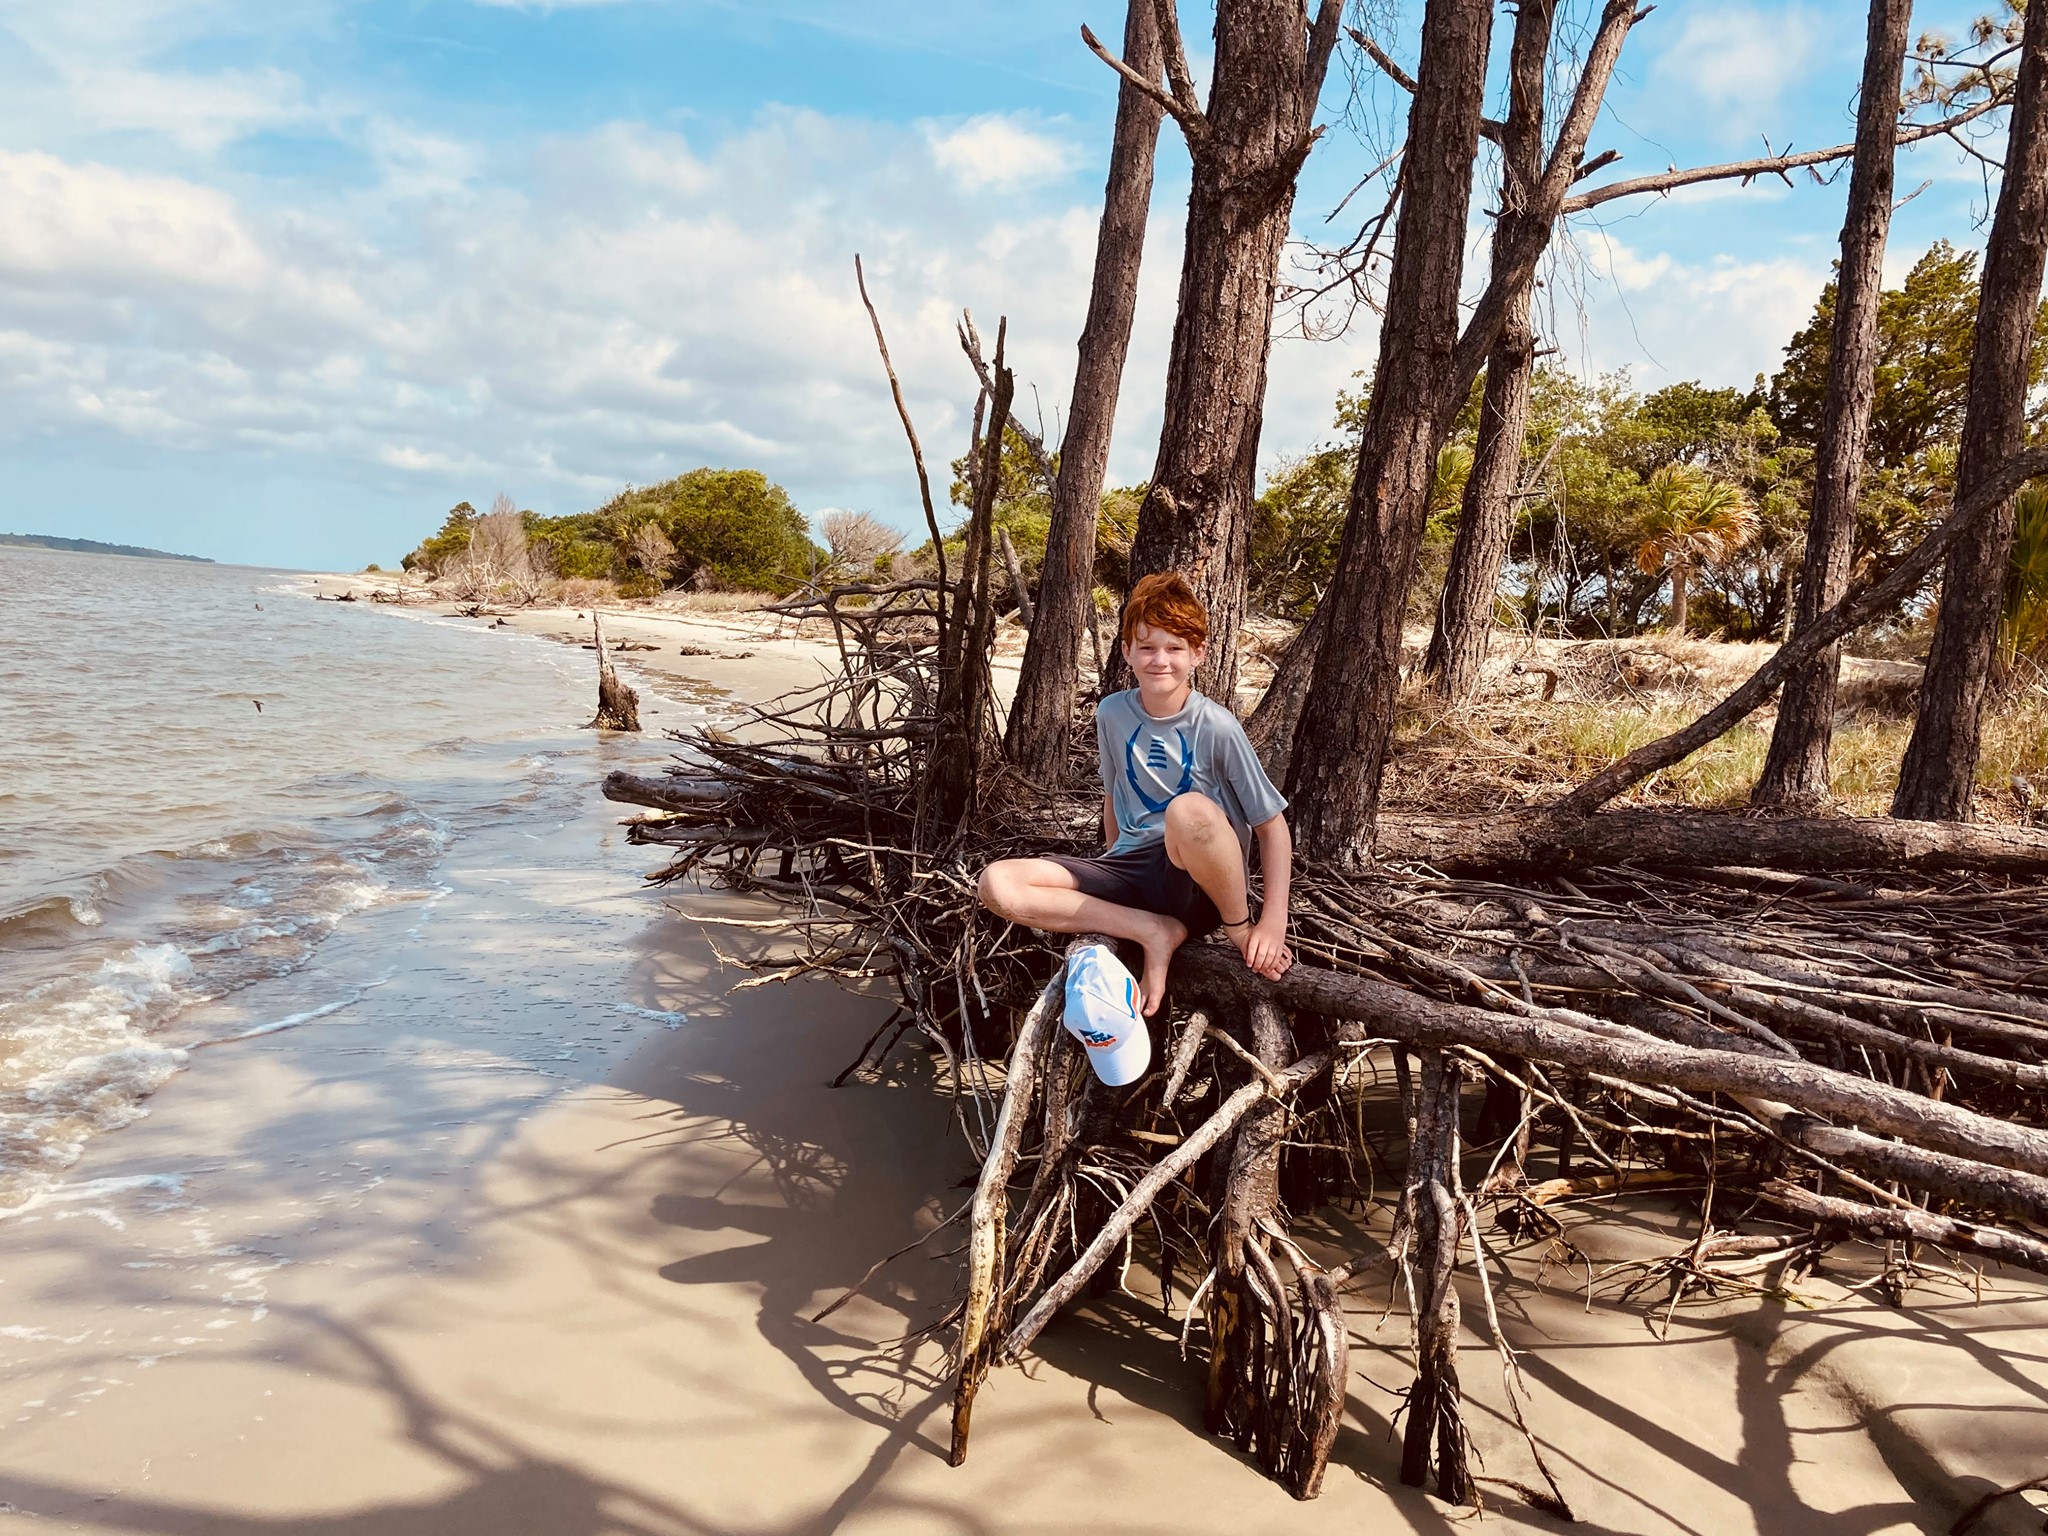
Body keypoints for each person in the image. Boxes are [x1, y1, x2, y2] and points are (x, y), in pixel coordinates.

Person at [977, 572, 1294, 1018]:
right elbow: (1114, 795)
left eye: (1174, 648)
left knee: (1189, 812)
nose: (1159, 660)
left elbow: (1271, 826)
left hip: (1197, 885)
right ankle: (1150, 930)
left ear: (1198, 654)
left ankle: (1234, 928)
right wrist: (1113, 865)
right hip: (1131, 870)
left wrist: (1268, 923)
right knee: (998, 883)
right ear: (1126, 652)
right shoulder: (1112, 712)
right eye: (1146, 647)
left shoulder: (1217, 725)